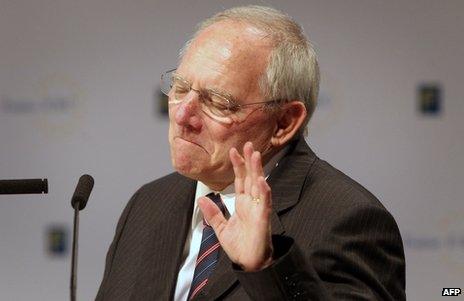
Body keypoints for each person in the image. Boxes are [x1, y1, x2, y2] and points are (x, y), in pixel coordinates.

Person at [96, 5, 405, 301]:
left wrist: (264, 269)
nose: (181, 116)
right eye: (180, 88)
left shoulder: (348, 219)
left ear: (284, 122)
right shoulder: (149, 203)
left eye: (217, 102)